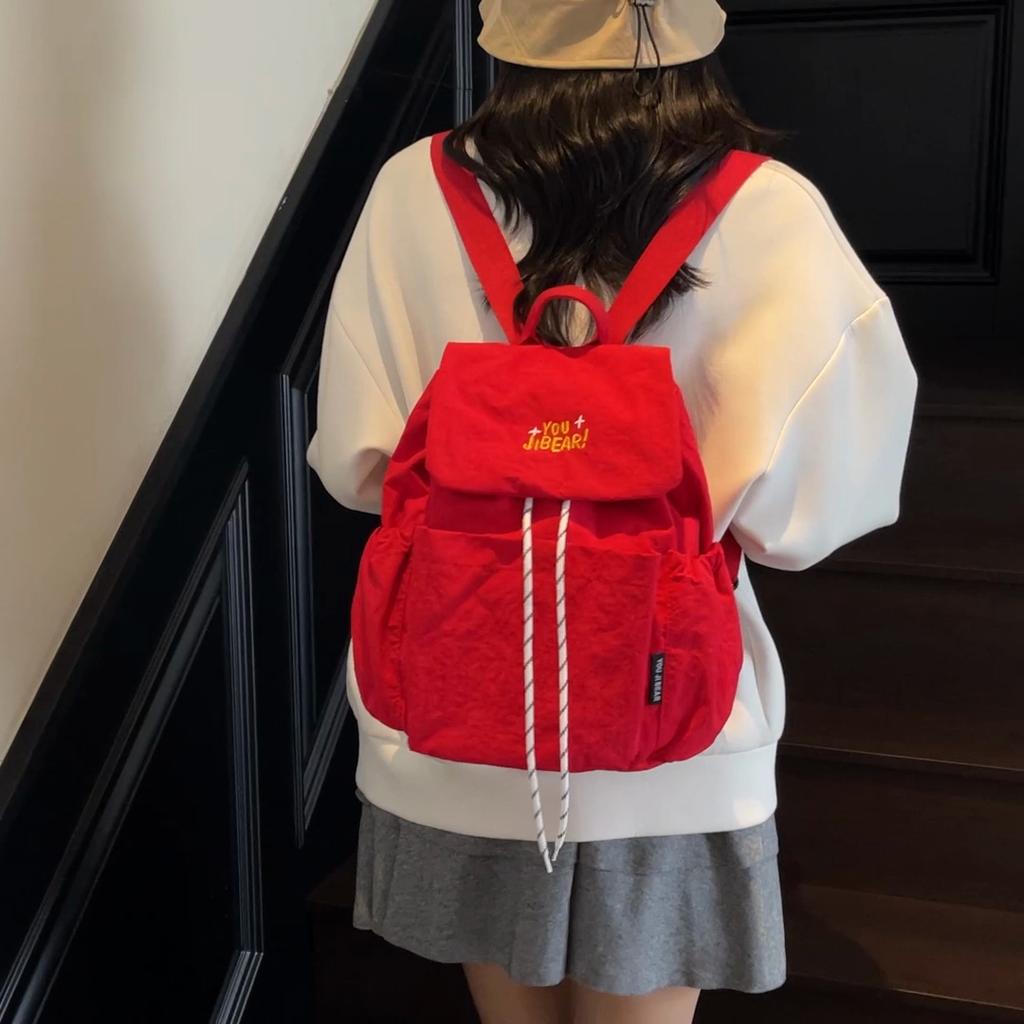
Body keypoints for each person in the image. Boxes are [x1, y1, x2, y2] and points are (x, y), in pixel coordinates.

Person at [307, 0, 918, 1020]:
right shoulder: (771, 208)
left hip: (455, 721)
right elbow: (807, 519)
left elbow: (359, 466)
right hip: (670, 730)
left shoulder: (413, 189)